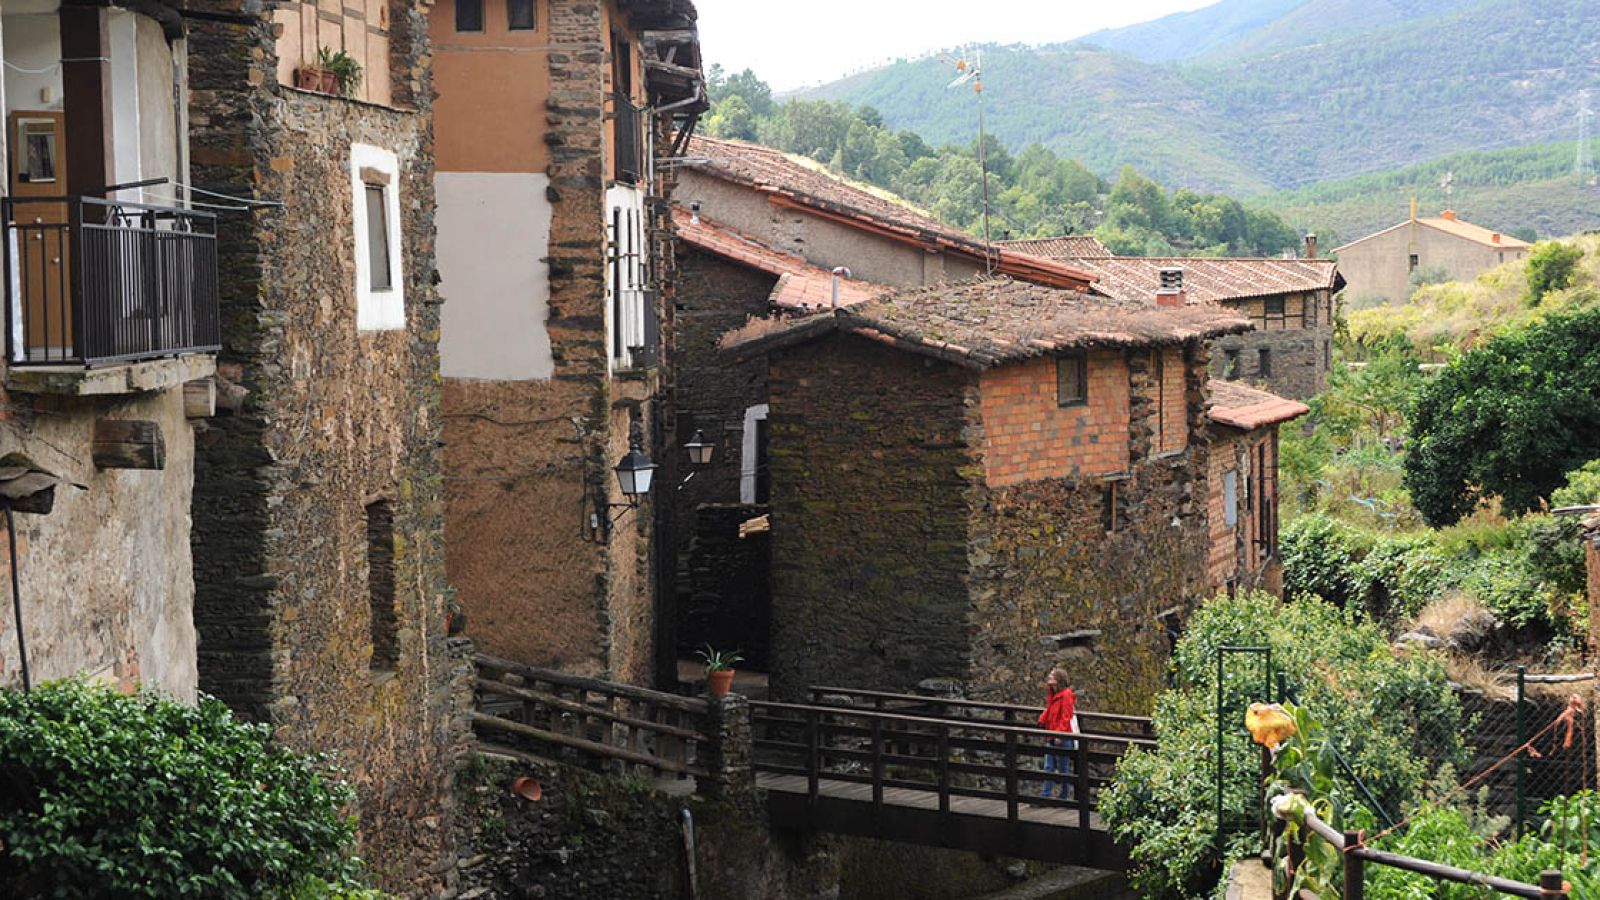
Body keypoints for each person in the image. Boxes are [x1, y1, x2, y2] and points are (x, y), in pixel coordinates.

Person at [1038, 667, 1078, 801]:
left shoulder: (1066, 694)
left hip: (1062, 736)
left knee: (1063, 768)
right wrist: (1042, 720)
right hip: (1051, 733)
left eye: (1052, 676)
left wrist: (1059, 735)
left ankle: (1064, 796)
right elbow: (1050, 709)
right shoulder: (1053, 693)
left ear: (1058, 680)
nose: (1049, 678)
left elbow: (1066, 716)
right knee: (1049, 766)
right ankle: (1046, 795)